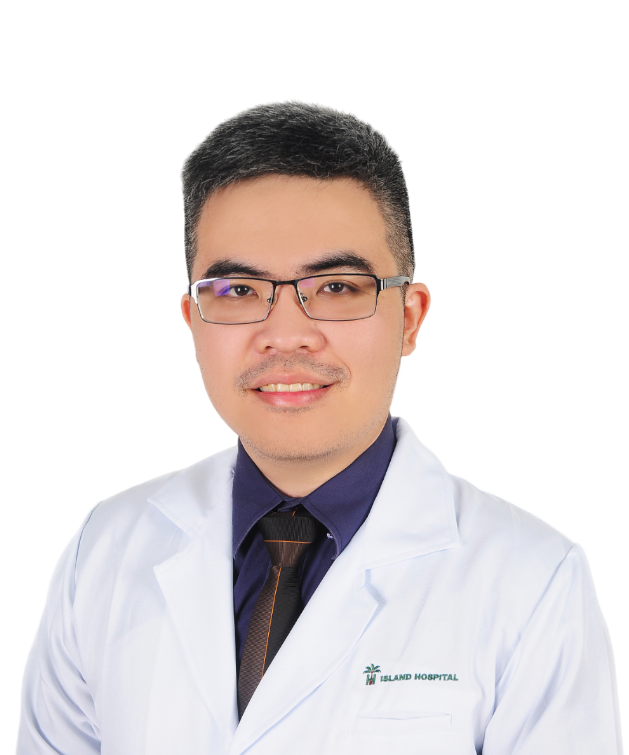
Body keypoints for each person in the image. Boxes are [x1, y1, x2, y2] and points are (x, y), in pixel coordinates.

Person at [16, 100, 622, 754]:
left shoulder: (534, 579)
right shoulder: (104, 549)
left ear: (410, 318)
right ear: (192, 321)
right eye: (238, 291)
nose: (285, 334)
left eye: (336, 287)